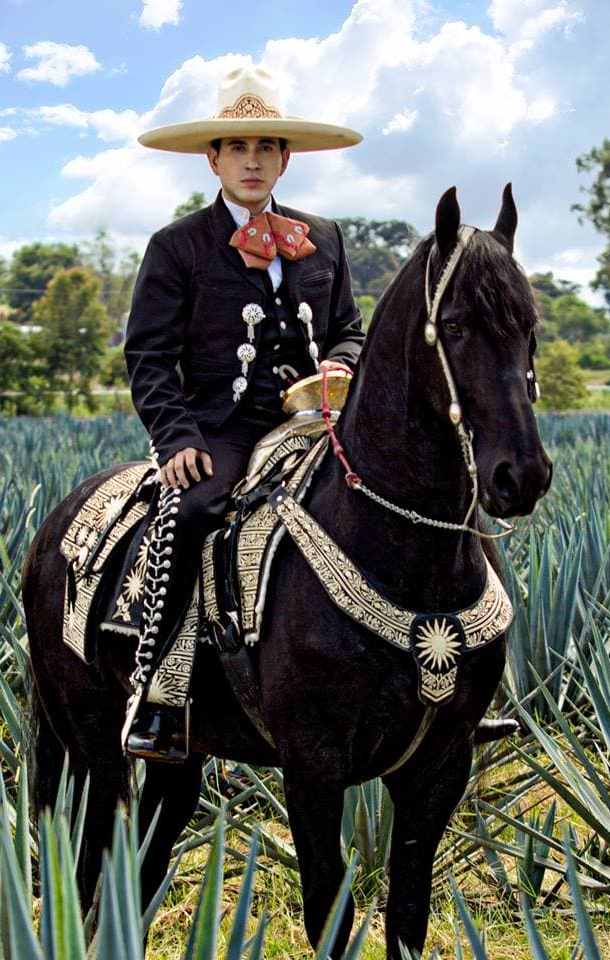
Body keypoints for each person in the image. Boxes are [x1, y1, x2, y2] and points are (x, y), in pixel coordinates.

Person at [121, 64, 365, 760]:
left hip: (314, 425)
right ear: (214, 159)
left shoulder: (324, 236)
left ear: (286, 158)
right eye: (237, 147)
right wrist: (175, 438)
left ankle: (441, 692)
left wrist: (342, 363)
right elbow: (147, 353)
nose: (253, 160)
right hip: (220, 431)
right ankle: (160, 698)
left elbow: (350, 326)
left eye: (266, 146)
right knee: (193, 511)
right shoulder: (178, 246)